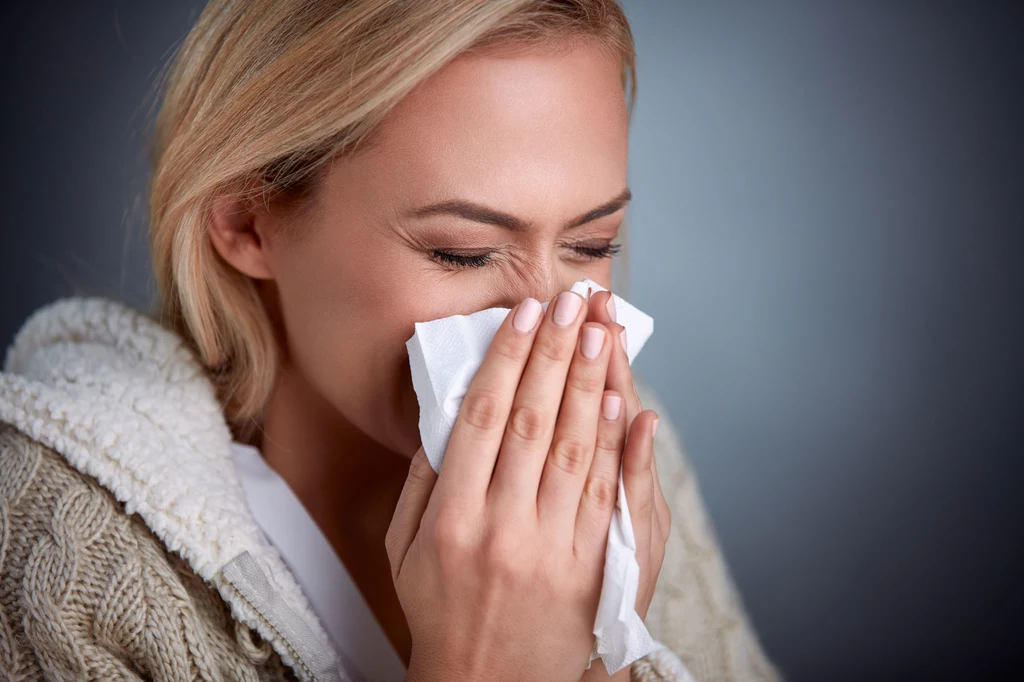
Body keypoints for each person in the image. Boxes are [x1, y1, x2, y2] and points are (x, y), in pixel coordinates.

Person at [0, 1, 780, 680]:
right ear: (247, 222)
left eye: (590, 244)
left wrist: (603, 651)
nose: (546, 325)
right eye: (462, 253)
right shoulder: (40, 534)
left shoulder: (625, 465)